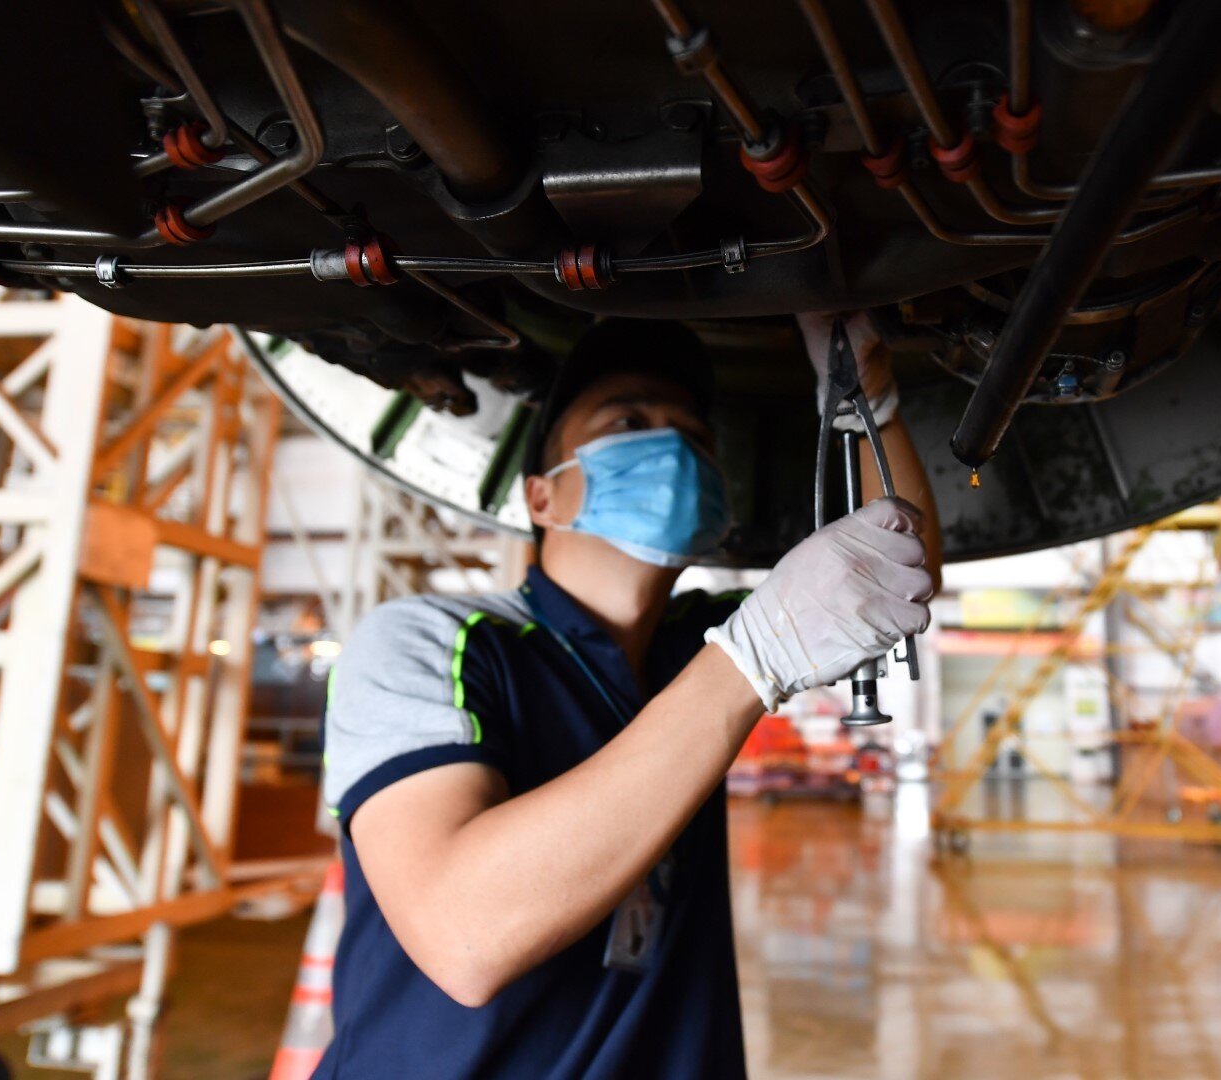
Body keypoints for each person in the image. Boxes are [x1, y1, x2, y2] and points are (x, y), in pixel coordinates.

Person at [314, 314, 940, 1079]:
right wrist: (752, 660)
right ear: (543, 497)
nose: (674, 448)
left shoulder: (695, 646)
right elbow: (463, 934)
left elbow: (893, 572)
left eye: (695, 436)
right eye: (630, 422)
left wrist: (868, 400)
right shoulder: (430, 642)